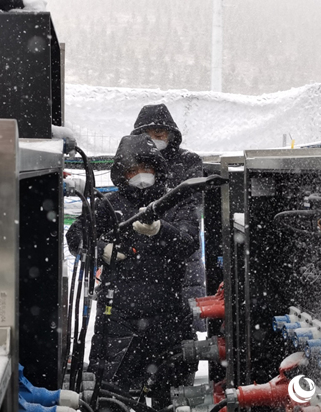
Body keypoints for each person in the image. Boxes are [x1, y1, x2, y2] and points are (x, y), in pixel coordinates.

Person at [66, 134, 198, 405]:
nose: (140, 176)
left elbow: (188, 242)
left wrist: (161, 229)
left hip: (168, 319)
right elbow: (76, 235)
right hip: (118, 321)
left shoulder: (174, 202)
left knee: (172, 399)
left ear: (157, 168)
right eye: (132, 170)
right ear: (121, 174)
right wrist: (99, 247)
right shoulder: (109, 204)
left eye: (145, 168)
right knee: (111, 398)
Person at [130, 103, 206, 332]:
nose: (154, 139)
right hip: (142, 255)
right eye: (146, 134)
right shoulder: (133, 162)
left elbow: (192, 205)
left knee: (182, 322)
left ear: (171, 134)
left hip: (182, 251)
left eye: (159, 133)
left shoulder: (189, 161)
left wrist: (164, 228)